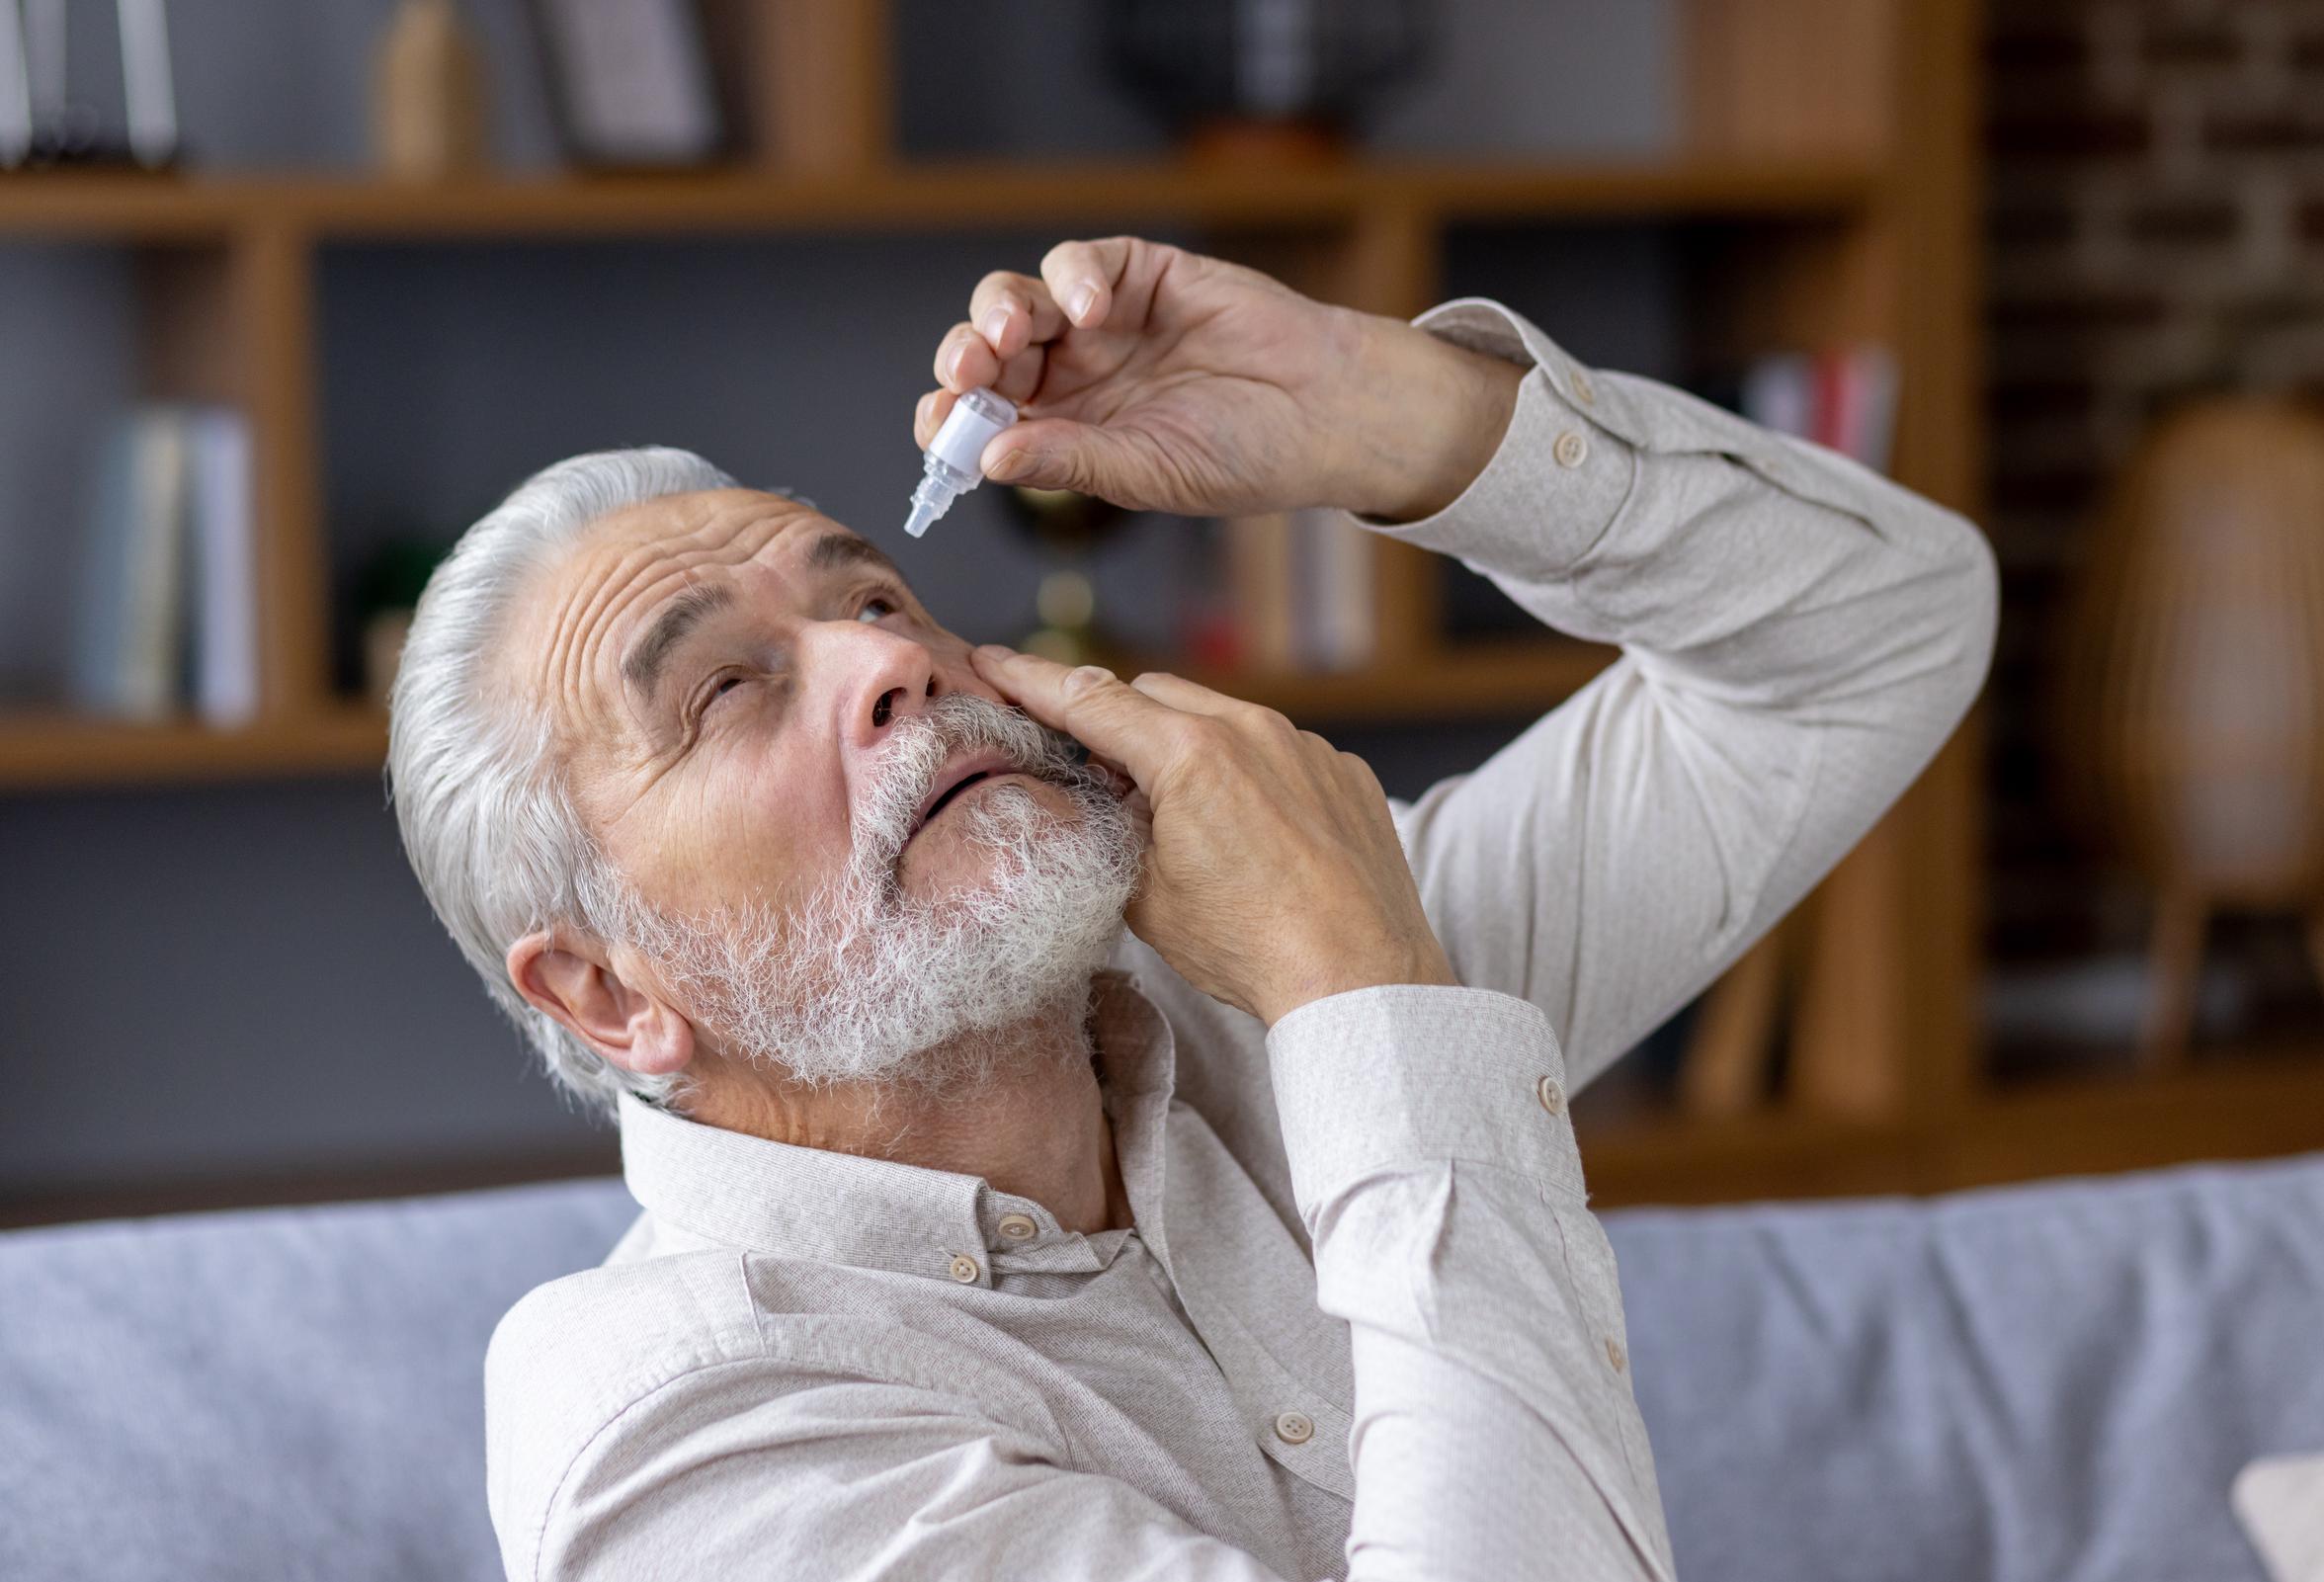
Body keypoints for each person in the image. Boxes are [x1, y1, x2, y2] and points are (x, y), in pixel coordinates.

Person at [388, 236, 1996, 1581]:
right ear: (606, 993)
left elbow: (1882, 626)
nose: (890, 661)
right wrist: (1361, 987)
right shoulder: (687, 1442)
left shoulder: (1248, 1005)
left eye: (874, 596)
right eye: (728, 689)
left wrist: (1391, 422)